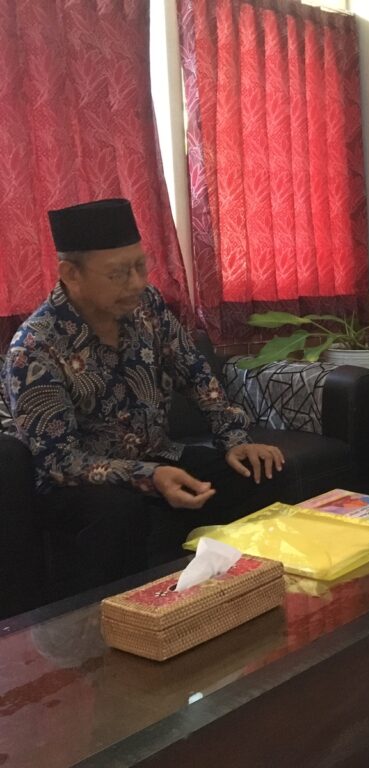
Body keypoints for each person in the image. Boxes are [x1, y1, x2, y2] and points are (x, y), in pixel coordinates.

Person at [2, 198, 288, 597]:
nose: (136, 283)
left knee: (258, 472)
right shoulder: (35, 348)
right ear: (71, 274)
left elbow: (195, 373)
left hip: (158, 458)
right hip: (81, 486)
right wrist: (148, 477)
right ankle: (124, 619)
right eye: (119, 273)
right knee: (119, 511)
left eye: (141, 266)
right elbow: (57, 461)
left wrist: (235, 439)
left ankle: (239, 595)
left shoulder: (146, 306)